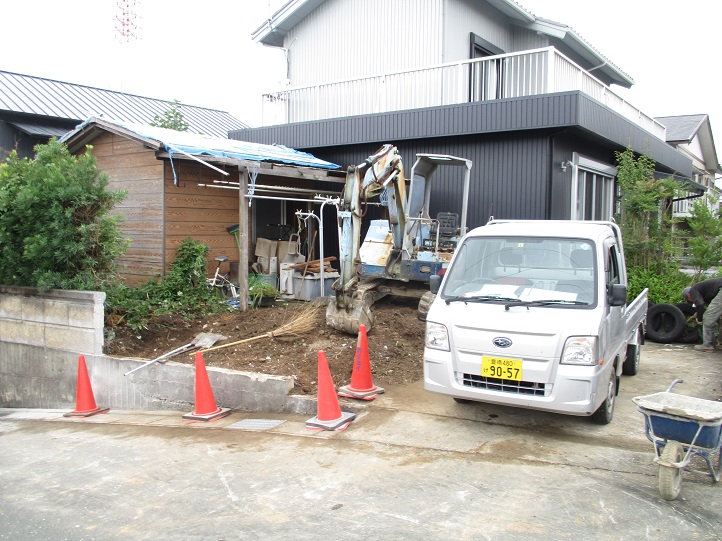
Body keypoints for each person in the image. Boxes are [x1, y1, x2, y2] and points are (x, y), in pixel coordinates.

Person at [683, 278, 722, 351]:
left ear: (688, 295)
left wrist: (699, 318)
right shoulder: (707, 293)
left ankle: (707, 345)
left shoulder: (693, 290)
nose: (692, 301)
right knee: (714, 317)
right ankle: (715, 343)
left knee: (708, 317)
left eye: (688, 299)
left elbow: (700, 304)